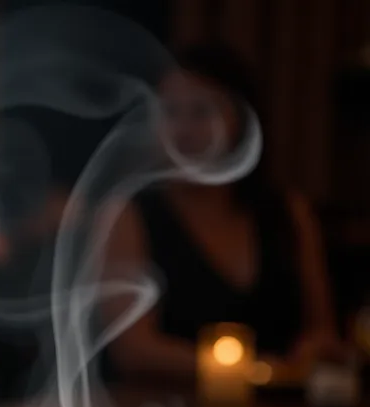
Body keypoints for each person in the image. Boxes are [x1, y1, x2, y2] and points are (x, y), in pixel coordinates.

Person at [104, 43, 343, 379]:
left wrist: (310, 352)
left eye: (202, 112)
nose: (184, 130)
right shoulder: (131, 217)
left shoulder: (287, 213)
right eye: (170, 112)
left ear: (242, 122)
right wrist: (248, 371)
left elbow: (322, 329)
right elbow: (133, 350)